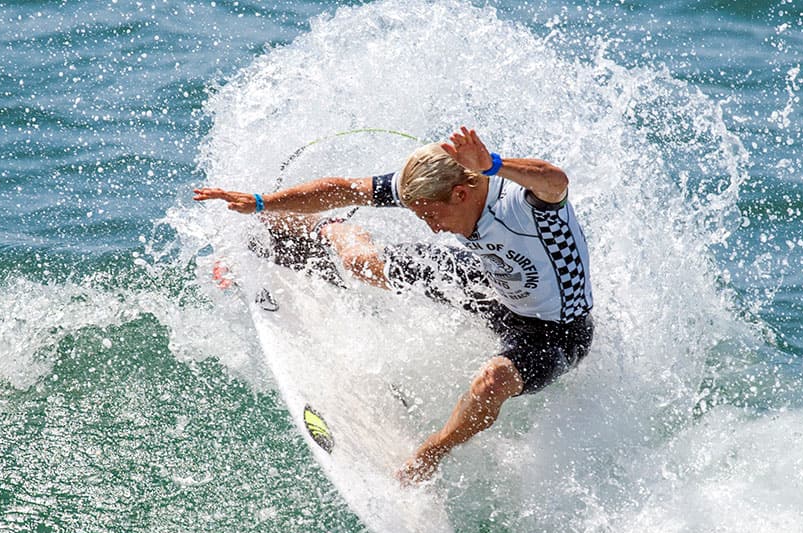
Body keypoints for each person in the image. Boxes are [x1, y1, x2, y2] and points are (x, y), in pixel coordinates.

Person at [194, 127, 593, 483]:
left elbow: (556, 181)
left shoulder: (525, 208)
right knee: (362, 264)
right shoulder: (430, 185)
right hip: (488, 283)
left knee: (493, 381)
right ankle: (321, 230)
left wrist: (493, 164)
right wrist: (263, 202)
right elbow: (344, 189)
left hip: (557, 329)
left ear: (461, 192)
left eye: (433, 216)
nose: (432, 228)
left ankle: (431, 453)